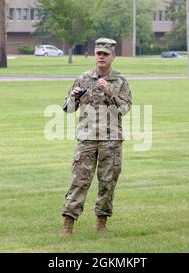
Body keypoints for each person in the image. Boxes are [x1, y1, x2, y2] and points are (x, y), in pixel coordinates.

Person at [60, 38, 132, 235]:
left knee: (107, 182)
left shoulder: (120, 81)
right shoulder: (83, 79)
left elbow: (125, 109)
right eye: (98, 53)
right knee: (79, 181)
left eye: (105, 54)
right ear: (95, 55)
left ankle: (101, 223)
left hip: (111, 140)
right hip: (87, 139)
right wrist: (73, 96)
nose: (101, 57)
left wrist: (110, 93)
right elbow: (68, 109)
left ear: (113, 57)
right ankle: (68, 224)